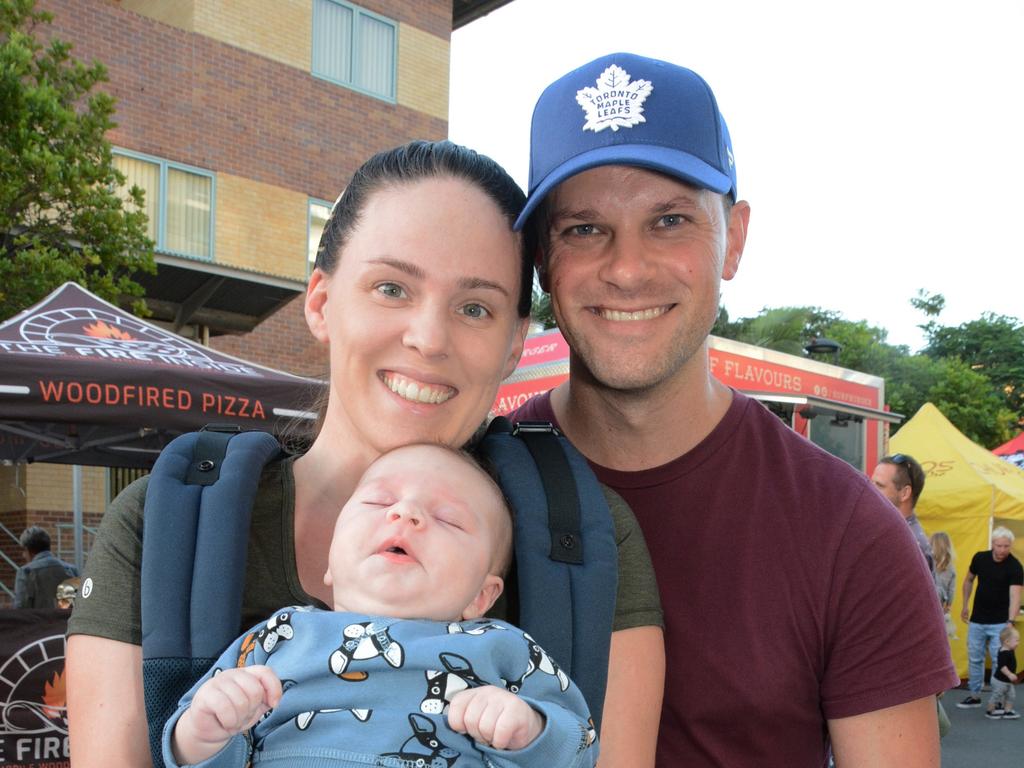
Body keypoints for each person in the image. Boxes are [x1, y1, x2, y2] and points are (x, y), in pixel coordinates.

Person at [66, 140, 664, 767]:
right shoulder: (165, 526)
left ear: (515, 343)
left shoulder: (581, 539)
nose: (428, 338)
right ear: (322, 302)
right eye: (391, 288)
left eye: (475, 307)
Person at [509, 52, 957, 766]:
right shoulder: (462, 491)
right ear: (540, 259)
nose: (626, 269)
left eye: (669, 220)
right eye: (583, 229)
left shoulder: (850, 534)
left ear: (734, 239)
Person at [165, 443, 597, 767]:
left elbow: (582, 744)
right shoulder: (281, 636)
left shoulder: (502, 647)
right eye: (378, 501)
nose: (405, 513)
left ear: (481, 596)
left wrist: (529, 729)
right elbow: (189, 752)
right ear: (329, 562)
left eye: (447, 518)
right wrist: (207, 729)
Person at [957, 526, 1023, 709]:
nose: (1002, 550)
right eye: (999, 545)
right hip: (978, 619)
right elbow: (968, 580)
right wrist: (964, 604)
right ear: (992, 544)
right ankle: (974, 695)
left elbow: (1015, 596)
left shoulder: (1015, 566)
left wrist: (1010, 622)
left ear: (1011, 545)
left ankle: (998, 699)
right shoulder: (980, 558)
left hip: (1000, 623)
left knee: (998, 660)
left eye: (1006, 546)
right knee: (975, 658)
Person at [872, 454, 933, 569]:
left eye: (879, 485)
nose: (871, 490)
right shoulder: (895, 534)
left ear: (904, 493)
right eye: (871, 483)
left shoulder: (910, 544)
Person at [14, 526, 78, 609]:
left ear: (28, 550)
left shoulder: (26, 571)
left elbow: (21, 608)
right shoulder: (72, 570)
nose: (23, 555)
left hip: (38, 621)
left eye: (24, 551)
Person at [984, 625, 1020, 720]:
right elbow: (1002, 667)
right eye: (1016, 640)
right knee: (997, 695)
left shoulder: (1010, 650)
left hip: (1007, 681)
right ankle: (990, 711)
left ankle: (1007, 710)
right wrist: (1010, 674)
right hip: (999, 681)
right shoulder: (1003, 653)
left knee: (1011, 695)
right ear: (1007, 642)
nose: (1018, 643)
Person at [930, 532, 957, 639]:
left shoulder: (926, 561)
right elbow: (951, 590)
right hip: (940, 602)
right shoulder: (950, 567)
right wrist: (948, 606)